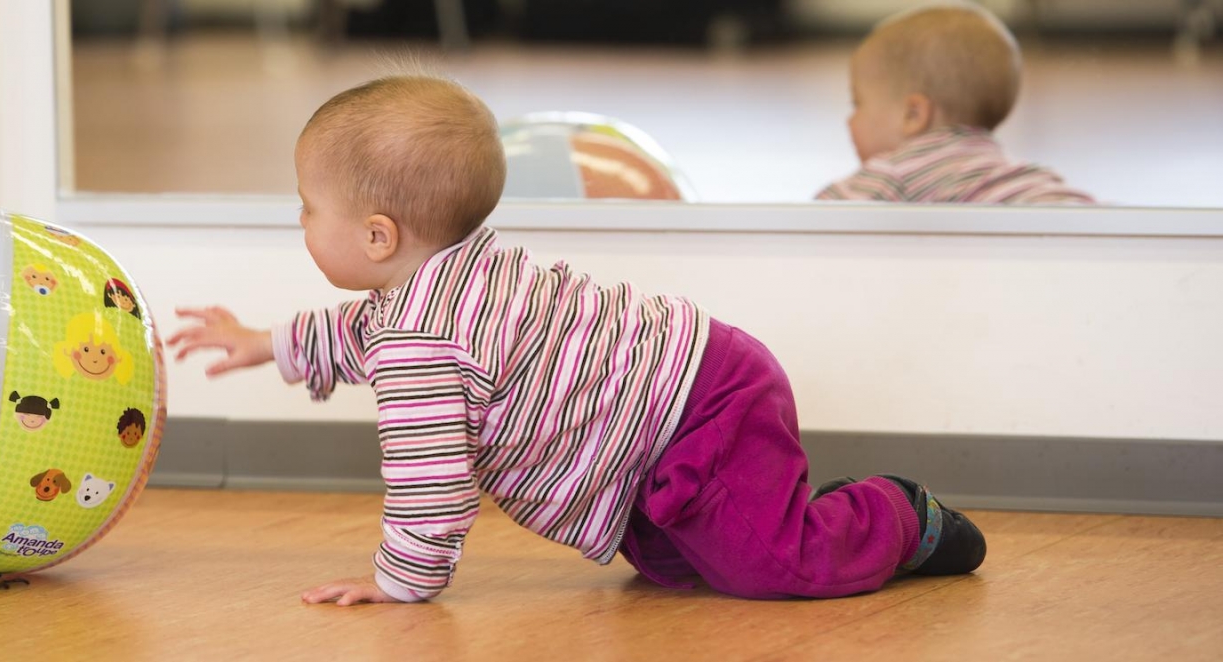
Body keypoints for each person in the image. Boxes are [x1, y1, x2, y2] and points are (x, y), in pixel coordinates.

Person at [169, 74, 986, 605]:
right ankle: (788, 505)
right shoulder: (442, 281)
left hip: (702, 404)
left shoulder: (422, 341)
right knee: (672, 568)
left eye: (308, 207)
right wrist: (267, 343)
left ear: (379, 237)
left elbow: (435, 486)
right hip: (672, 416)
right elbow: (358, 333)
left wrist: (398, 581)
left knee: (772, 568)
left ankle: (899, 515)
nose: (301, 221)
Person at [817, 3, 1093, 204]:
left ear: (913, 115)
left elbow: (815, 229)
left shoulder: (892, 176)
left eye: (857, 103)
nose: (849, 120)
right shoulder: (1027, 177)